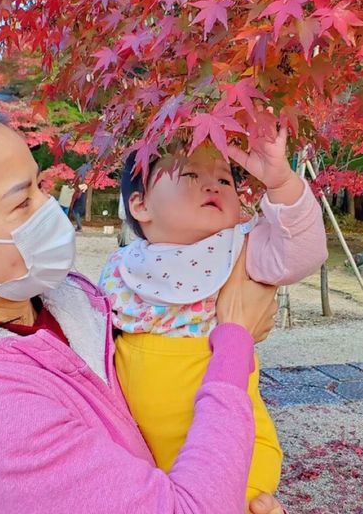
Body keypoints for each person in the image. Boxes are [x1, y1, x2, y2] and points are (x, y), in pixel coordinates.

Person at [0, 96, 286, 514]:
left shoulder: (69, 300)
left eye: (41, 187)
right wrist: (235, 338)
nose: (52, 211)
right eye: (22, 203)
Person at [99, 129, 328, 503]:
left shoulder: (240, 252)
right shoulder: (122, 267)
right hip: (143, 451)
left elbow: (304, 251)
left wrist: (281, 181)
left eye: (225, 178)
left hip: (228, 443)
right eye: (191, 175)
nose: (214, 186)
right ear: (141, 206)